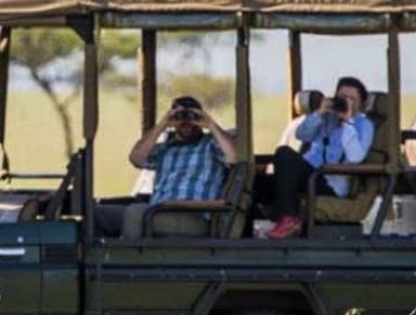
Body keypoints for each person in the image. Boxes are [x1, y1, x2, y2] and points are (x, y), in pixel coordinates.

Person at [99, 95, 238, 238]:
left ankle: (132, 259)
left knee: (136, 213)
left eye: (192, 116)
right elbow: (136, 159)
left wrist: (210, 124)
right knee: (96, 214)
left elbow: (235, 158)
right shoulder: (165, 148)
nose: (186, 122)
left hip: (191, 216)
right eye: (179, 117)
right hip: (157, 212)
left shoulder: (211, 145)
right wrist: (162, 124)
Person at [258, 76, 374, 239]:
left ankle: (290, 220)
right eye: (341, 98)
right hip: (308, 174)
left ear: (361, 104)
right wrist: (319, 113)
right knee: (256, 184)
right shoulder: (327, 118)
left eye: (351, 99)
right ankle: (240, 238)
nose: (345, 102)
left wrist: (348, 122)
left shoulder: (364, 125)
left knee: (284, 153)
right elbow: (301, 134)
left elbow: (355, 157)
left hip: (330, 181)